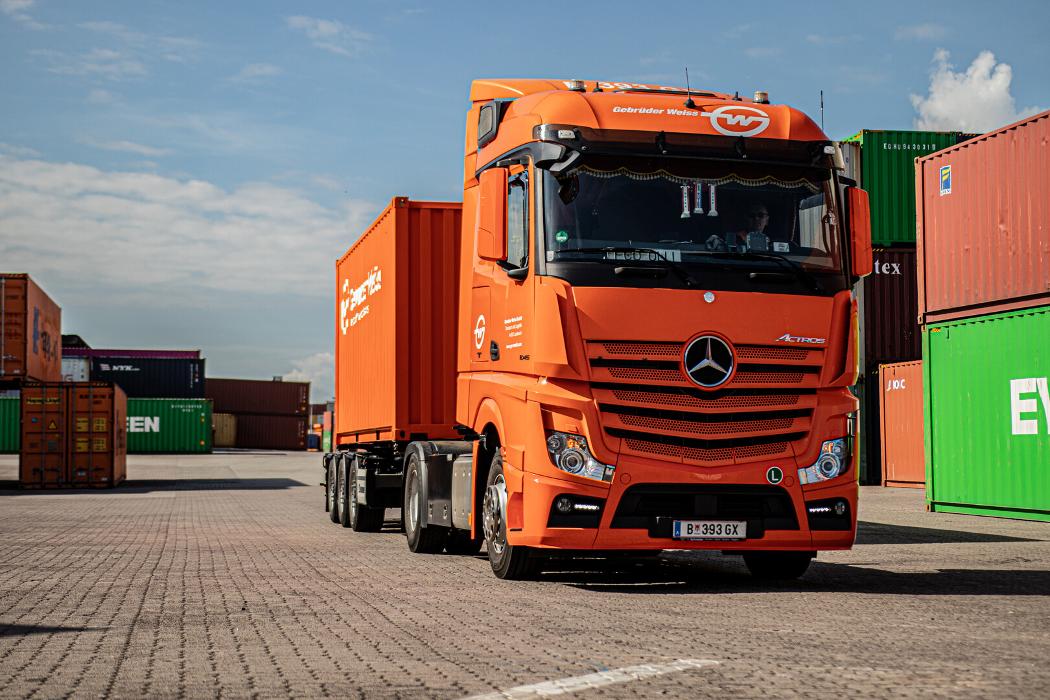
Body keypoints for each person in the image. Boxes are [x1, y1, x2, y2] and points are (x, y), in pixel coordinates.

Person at [706, 203, 787, 253]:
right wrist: (716, 241)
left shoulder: (774, 243)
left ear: (767, 220)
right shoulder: (732, 239)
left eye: (760, 215)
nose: (756, 218)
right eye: (752, 215)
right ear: (746, 219)